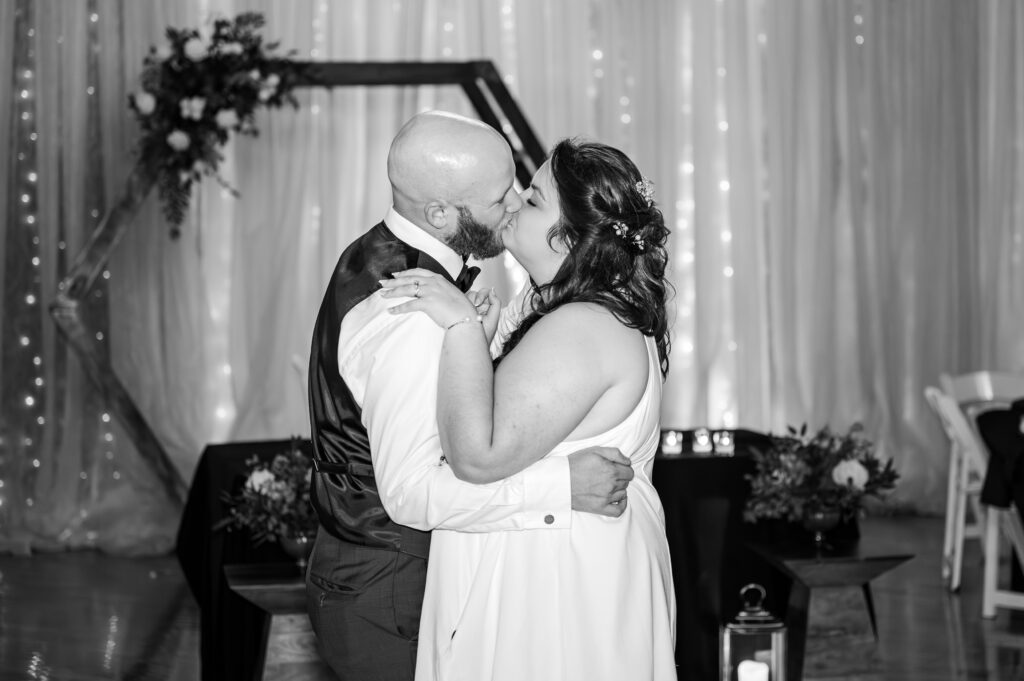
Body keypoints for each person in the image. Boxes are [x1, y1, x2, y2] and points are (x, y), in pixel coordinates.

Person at [305, 112, 636, 681]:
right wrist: (564, 486)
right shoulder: (415, 316)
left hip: (378, 576)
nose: (515, 202)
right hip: (390, 590)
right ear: (440, 214)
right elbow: (410, 495)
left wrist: (476, 345)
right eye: (498, 196)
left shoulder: (384, 257)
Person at [381, 138, 677, 680]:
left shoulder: (582, 326)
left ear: (569, 240)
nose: (513, 201)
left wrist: (462, 329)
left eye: (534, 199)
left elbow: (477, 454)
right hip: (560, 558)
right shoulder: (560, 308)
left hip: (557, 585)